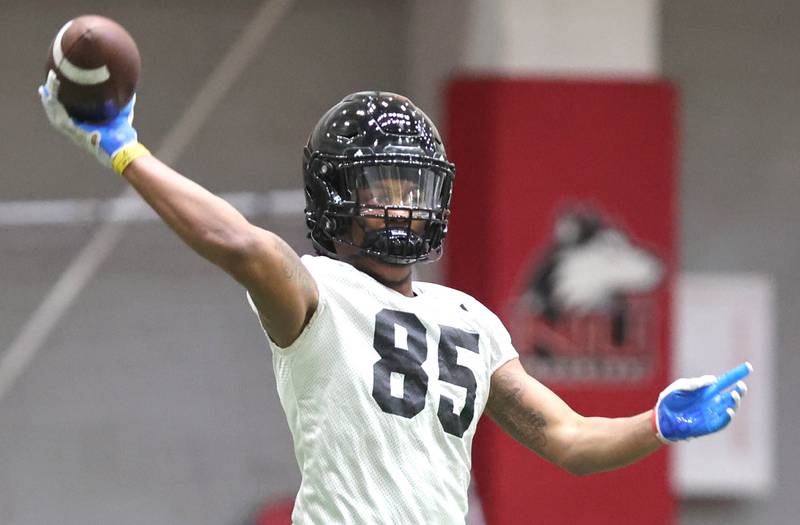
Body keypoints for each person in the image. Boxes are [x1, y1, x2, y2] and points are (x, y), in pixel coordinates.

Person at [39, 72, 751, 524]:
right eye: (384, 188)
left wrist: (653, 421)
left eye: (415, 188)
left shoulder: (469, 317)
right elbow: (240, 243)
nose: (405, 207)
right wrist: (125, 150)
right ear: (336, 199)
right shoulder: (317, 294)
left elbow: (566, 438)